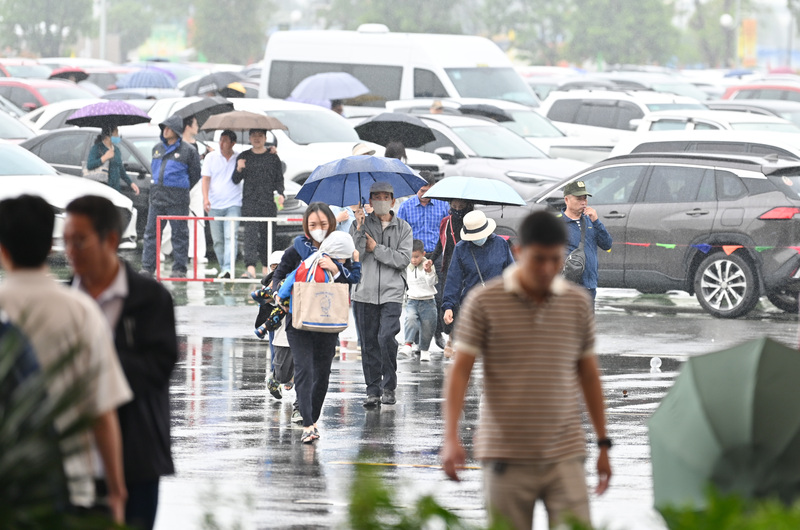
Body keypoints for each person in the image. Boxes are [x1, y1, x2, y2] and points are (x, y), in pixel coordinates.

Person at [441, 210, 612, 530]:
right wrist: (450, 436)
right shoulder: (484, 302)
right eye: (539, 259)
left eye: (555, 259)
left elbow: (589, 376)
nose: (548, 269)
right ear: (518, 253)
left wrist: (603, 444)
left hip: (564, 454)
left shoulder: (576, 304)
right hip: (505, 455)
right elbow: (459, 372)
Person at [0, 195, 132, 524]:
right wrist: (116, 490)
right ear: (51, 247)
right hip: (69, 481)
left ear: (1, 248)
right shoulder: (80, 310)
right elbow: (102, 410)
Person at [64, 195, 178, 530]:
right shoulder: (65, 300)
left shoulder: (150, 298)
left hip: (135, 456)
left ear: (110, 239)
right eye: (66, 241)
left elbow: (158, 368)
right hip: (72, 459)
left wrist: (92, 369)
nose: (70, 251)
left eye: (80, 240)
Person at [271, 204, 361, 443]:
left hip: (328, 322)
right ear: (306, 226)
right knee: (303, 368)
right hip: (298, 321)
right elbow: (279, 276)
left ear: (331, 224)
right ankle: (308, 423)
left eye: (322, 225)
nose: (318, 230)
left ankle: (314, 416)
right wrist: (280, 295)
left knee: (321, 372)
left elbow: (352, 279)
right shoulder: (298, 248)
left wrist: (337, 268)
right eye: (313, 225)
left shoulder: (342, 247)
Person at [350, 181, 413, 407]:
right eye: (376, 197)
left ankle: (389, 385)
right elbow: (354, 254)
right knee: (368, 343)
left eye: (385, 197)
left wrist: (376, 248)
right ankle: (372, 390)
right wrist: (358, 228)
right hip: (363, 292)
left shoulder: (403, 228)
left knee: (386, 337)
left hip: (392, 293)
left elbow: (403, 259)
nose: (380, 201)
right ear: (369, 201)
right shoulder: (361, 225)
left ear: (393, 200)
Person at [442, 210, 514, 357]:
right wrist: (448, 306)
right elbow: (453, 279)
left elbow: (511, 272)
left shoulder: (501, 244)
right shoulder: (461, 248)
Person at [141, 114, 202, 278]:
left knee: (179, 234)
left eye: (168, 128)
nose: (165, 131)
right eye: (163, 128)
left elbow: (195, 175)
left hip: (177, 198)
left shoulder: (188, 150)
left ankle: (179, 269)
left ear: (176, 130)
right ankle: (147, 267)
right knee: (151, 233)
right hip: (157, 197)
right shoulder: (157, 148)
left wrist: (181, 186)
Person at [233, 128, 285, 279]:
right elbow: (235, 179)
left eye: (260, 136)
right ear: (249, 138)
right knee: (250, 236)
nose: (257, 139)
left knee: (268, 235)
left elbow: (279, 179)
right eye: (254, 136)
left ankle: (266, 268)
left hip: (268, 202)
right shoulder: (244, 156)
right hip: (250, 202)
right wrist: (239, 168)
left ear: (265, 138)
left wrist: (280, 193)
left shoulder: (272, 156)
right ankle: (250, 268)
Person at [557, 180, 613, 306]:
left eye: (585, 198)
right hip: (567, 287)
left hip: (589, 286)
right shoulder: (557, 224)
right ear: (567, 200)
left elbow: (607, 244)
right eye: (579, 198)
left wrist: (596, 221)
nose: (583, 202)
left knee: (586, 324)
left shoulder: (590, 221)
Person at [429, 198, 474, 350]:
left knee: (465, 304)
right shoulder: (446, 222)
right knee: (448, 302)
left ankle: (460, 340)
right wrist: (432, 259)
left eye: (460, 206)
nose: (457, 209)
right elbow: (441, 243)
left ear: (467, 206)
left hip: (468, 269)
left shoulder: (472, 221)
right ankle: (451, 336)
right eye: (454, 206)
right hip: (449, 267)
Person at [202, 130, 242, 279]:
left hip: (233, 203)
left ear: (233, 143)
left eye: (225, 140)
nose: (221, 143)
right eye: (220, 140)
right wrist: (205, 199)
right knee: (218, 240)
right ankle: (223, 267)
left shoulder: (239, 157)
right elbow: (205, 179)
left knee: (231, 237)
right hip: (214, 205)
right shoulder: (211, 157)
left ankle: (228, 268)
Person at [398, 239, 437, 362]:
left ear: (423, 254)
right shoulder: (406, 267)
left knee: (428, 327)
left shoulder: (428, 265)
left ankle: (425, 350)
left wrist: (429, 271)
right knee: (410, 319)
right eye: (411, 256)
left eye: (417, 256)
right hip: (412, 300)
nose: (414, 260)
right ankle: (408, 344)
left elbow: (432, 282)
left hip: (428, 301)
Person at [397, 170, 449, 255]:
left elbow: (448, 230)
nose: (424, 194)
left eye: (428, 191)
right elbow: (399, 233)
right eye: (422, 190)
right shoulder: (405, 207)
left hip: (437, 254)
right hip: (413, 255)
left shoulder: (443, 205)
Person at [86, 125, 140, 195]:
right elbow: (90, 165)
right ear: (109, 135)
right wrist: (104, 157)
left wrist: (131, 183)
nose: (118, 135)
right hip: (102, 189)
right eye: (116, 133)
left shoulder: (116, 150)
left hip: (115, 189)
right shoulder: (97, 148)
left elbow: (121, 170)